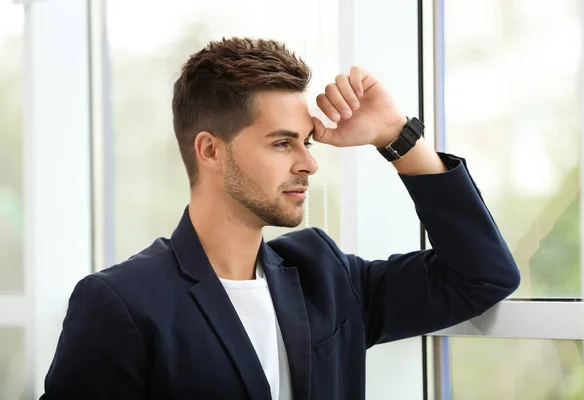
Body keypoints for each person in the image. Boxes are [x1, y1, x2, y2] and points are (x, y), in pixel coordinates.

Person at [41, 37, 520, 400]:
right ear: (209, 150)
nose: (309, 163)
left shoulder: (326, 277)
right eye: (281, 143)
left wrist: (397, 136)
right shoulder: (122, 303)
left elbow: (481, 276)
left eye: (305, 143)